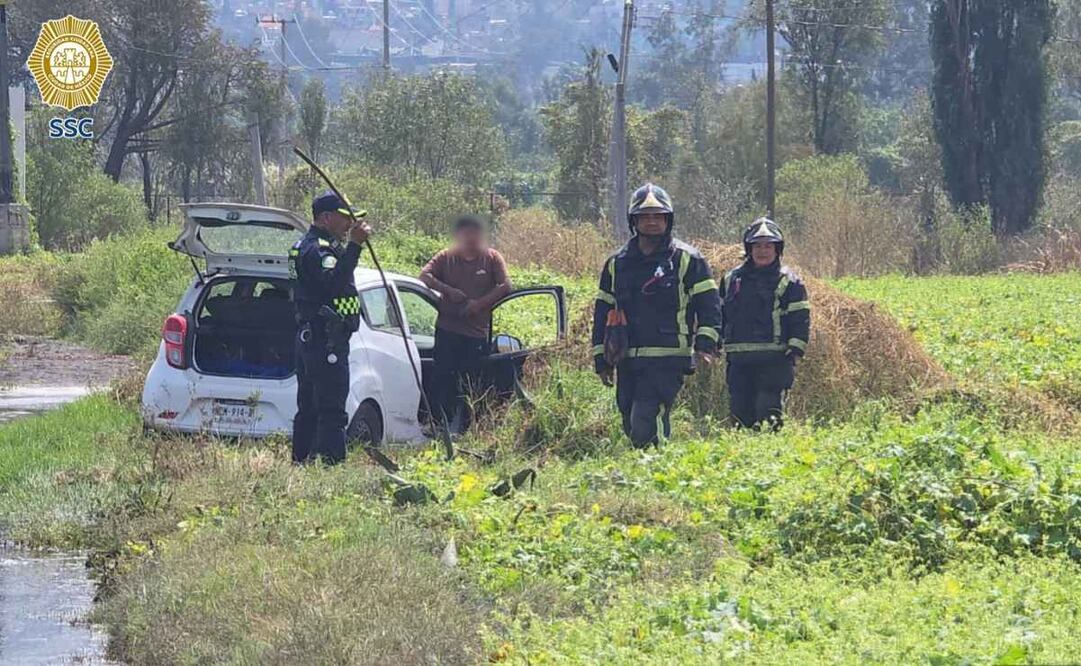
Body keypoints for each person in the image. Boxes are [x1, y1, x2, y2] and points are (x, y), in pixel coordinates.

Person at [591, 183, 722, 448]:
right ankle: (645, 475)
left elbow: (710, 305)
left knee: (646, 419)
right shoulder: (617, 263)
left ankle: (658, 473)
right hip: (628, 357)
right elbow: (603, 311)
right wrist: (601, 360)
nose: (652, 222)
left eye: (658, 216)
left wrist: (706, 345)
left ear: (668, 220)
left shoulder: (688, 259)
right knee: (629, 418)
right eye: (645, 216)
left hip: (668, 357)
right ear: (634, 221)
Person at [289, 191, 373, 464]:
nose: (350, 224)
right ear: (325, 218)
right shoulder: (319, 250)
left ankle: (302, 461)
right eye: (344, 218)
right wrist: (356, 246)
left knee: (310, 407)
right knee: (331, 409)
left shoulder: (308, 245)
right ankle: (330, 466)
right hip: (325, 339)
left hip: (315, 338)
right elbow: (334, 284)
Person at [420, 215, 512, 433]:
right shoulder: (446, 257)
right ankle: (439, 423)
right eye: (466, 232)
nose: (471, 237)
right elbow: (424, 276)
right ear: (459, 235)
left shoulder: (491, 258)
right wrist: (448, 291)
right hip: (447, 329)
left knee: (472, 382)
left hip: (476, 333)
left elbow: (505, 285)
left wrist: (478, 305)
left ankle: (470, 428)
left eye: (475, 232)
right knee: (443, 377)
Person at [720, 217, 811, 431]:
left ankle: (771, 455)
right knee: (740, 414)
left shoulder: (790, 281)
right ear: (748, 249)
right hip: (739, 359)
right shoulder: (731, 279)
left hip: (775, 359)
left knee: (768, 411)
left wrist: (796, 348)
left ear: (777, 249)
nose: (763, 251)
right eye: (757, 246)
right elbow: (720, 313)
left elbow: (800, 317)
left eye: (768, 246)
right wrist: (713, 341)